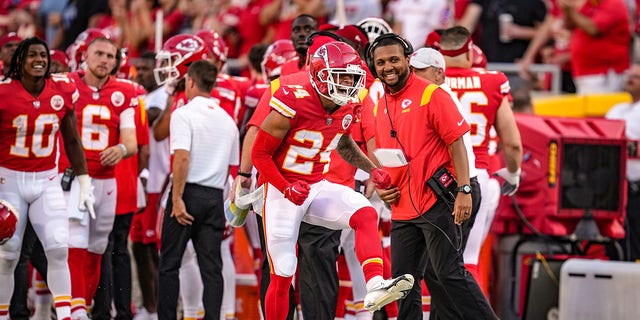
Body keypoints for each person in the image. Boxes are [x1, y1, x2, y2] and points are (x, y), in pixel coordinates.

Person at [251, 41, 414, 320]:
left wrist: (372, 168)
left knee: (364, 211)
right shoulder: (293, 99)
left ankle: (375, 284)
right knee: (284, 270)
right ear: (321, 75)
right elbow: (259, 154)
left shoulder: (348, 103)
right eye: (342, 77)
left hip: (315, 185)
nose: (348, 83)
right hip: (280, 190)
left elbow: (344, 142)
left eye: (352, 77)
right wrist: (286, 187)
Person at [366, 33, 497, 319]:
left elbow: (457, 143)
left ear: (408, 61)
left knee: (449, 272)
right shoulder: (381, 104)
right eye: (381, 62)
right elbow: (390, 157)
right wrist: (384, 187)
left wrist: (463, 190)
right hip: (403, 205)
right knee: (403, 283)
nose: (388, 67)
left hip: (441, 197)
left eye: (394, 60)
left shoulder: (431, 94)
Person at [0, 36, 92, 320]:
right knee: (9, 254)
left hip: (45, 181)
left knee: (57, 248)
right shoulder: (4, 92)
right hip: (8, 181)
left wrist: (85, 180)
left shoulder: (62, 89)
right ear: (19, 62)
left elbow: (73, 140)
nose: (39, 60)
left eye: (43, 55)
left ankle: (64, 315)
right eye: (32, 56)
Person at [58, 36, 139, 320]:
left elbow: (131, 140)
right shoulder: (67, 84)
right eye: (99, 54)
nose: (105, 60)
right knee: (75, 242)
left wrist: (120, 148)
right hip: (76, 177)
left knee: (97, 247)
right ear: (85, 56)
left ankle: (82, 305)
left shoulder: (124, 92)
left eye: (110, 56)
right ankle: (75, 309)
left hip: (107, 181)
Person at [439, 27, 523, 292]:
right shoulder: (492, 81)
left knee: (429, 260)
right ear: (468, 51)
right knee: (468, 259)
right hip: (478, 176)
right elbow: (512, 142)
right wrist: (513, 173)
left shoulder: (427, 82)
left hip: (434, 178)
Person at [157, 60, 240, 320]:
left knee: (170, 264)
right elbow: (231, 167)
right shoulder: (228, 121)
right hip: (215, 196)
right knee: (212, 269)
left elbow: (181, 157)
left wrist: (178, 198)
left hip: (188, 191)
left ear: (190, 82)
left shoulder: (184, 114)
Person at [605, 63, 640, 261]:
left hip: (637, 188)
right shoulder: (616, 109)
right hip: (613, 189)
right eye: (629, 75)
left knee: (635, 244)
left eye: (636, 76)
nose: (630, 79)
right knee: (614, 244)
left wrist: (622, 149)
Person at [559, 0, 630, 94]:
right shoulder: (591, 3)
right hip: (585, 71)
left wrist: (571, 11)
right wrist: (567, 9)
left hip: (603, 72)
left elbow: (594, 29)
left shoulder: (613, 3)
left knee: (601, 107)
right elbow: (569, 25)